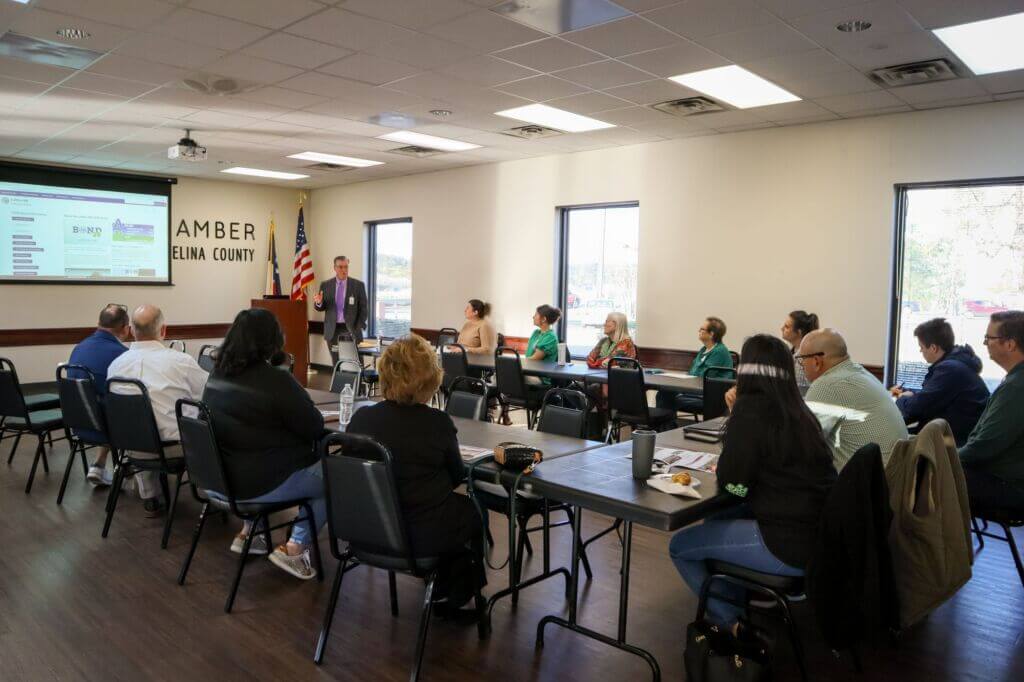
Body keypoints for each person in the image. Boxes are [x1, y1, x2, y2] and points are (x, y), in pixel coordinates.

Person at [670, 335, 837, 634]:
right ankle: (736, 596)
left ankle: (732, 623)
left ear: (745, 371)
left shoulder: (750, 413)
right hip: (821, 538)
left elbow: (734, 487)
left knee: (680, 546)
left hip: (786, 545)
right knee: (718, 517)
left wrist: (735, 418)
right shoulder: (800, 411)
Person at [347, 334, 486, 616]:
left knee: (449, 513)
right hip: (419, 537)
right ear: (430, 379)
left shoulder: (362, 419)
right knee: (469, 512)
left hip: (366, 530)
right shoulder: (437, 423)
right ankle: (457, 595)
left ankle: (445, 589)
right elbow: (457, 475)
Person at [202, 308, 327, 580]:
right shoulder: (276, 380)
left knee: (252, 451)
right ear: (272, 341)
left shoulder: (216, 376)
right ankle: (294, 548)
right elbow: (315, 427)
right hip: (256, 485)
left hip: (218, 479)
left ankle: (250, 533)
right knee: (334, 478)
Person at [106, 305, 207, 516]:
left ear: (132, 330)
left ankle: (150, 495)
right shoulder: (181, 361)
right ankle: (215, 496)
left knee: (141, 423)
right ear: (163, 330)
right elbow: (209, 393)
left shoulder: (115, 365)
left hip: (128, 447)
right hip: (172, 448)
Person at [799, 329, 908, 470]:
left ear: (816, 361)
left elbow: (801, 444)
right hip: (891, 473)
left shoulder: (827, 384)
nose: (801, 366)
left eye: (802, 360)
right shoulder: (860, 373)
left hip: (867, 480)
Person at [958, 311, 1024, 514]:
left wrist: (944, 457)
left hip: (1009, 485)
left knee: (924, 471)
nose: (985, 343)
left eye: (989, 338)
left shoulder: (1016, 387)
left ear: (1010, 344)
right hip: (1008, 478)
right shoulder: (1015, 380)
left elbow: (985, 445)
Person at [890, 318, 989, 445]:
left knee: (891, 439)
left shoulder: (950, 370)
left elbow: (915, 408)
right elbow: (932, 396)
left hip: (956, 442)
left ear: (933, 348)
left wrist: (900, 398)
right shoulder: (956, 364)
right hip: (954, 435)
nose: (921, 351)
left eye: (921, 347)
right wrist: (911, 393)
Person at [67, 303, 131, 487]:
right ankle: (131, 468)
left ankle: (99, 464)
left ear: (98, 324)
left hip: (79, 424)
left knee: (104, 403)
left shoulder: (79, 348)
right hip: (106, 429)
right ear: (125, 329)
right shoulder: (122, 355)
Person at [656, 316, 733, 414]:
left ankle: (666, 423)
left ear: (711, 334)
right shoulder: (704, 349)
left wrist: (691, 376)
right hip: (697, 391)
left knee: (667, 398)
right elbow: (692, 372)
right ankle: (666, 423)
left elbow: (705, 376)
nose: (699, 331)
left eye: (702, 329)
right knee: (663, 393)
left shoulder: (720, 351)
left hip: (710, 396)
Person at [313, 255, 368, 365]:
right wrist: (319, 302)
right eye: (341, 267)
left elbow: (364, 309)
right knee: (337, 363)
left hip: (351, 329)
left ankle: (357, 378)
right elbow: (321, 307)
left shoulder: (358, 285)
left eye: (346, 267)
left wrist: (357, 328)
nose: (344, 270)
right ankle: (338, 377)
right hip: (332, 330)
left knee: (356, 363)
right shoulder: (325, 285)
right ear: (335, 268)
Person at [781, 310, 819, 391]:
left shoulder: (803, 360)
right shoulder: (792, 353)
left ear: (799, 332)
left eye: (787, 327)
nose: (782, 328)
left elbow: (800, 390)